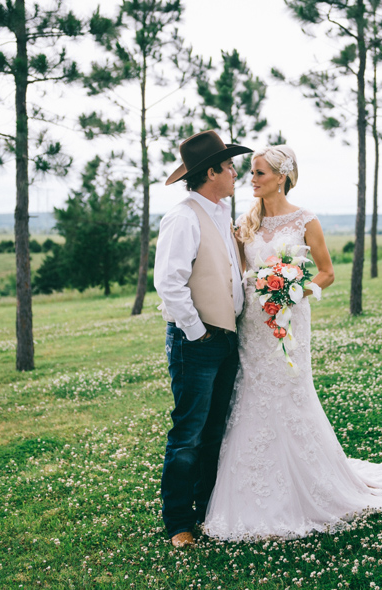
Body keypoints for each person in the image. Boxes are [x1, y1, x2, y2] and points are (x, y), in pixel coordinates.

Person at [203, 145, 382, 542]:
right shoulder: (245, 223)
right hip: (253, 323)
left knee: (290, 391)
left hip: (290, 320)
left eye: (259, 173)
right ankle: (250, 486)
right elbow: (239, 272)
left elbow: (326, 273)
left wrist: (292, 291)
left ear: (282, 177)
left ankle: (312, 482)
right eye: (251, 173)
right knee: (251, 394)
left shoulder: (306, 220)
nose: (251, 179)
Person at [154, 130, 253, 548]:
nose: (235, 173)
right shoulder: (183, 217)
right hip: (197, 342)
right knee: (189, 433)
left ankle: (206, 509)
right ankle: (178, 523)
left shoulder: (220, 212)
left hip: (226, 337)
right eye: (229, 167)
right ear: (211, 172)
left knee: (214, 431)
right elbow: (169, 284)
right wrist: (197, 332)